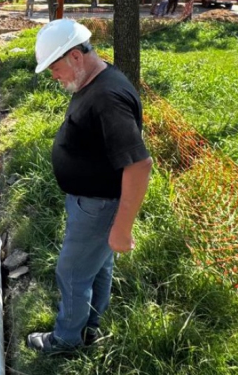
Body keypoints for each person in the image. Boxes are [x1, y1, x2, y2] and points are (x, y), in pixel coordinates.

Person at [26, 19, 152, 353]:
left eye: (55, 68)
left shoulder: (108, 98)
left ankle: (66, 340)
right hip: (91, 201)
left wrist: (122, 229)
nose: (54, 76)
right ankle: (90, 325)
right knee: (96, 268)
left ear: (76, 58)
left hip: (98, 206)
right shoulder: (94, 81)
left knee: (71, 273)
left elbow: (139, 165)